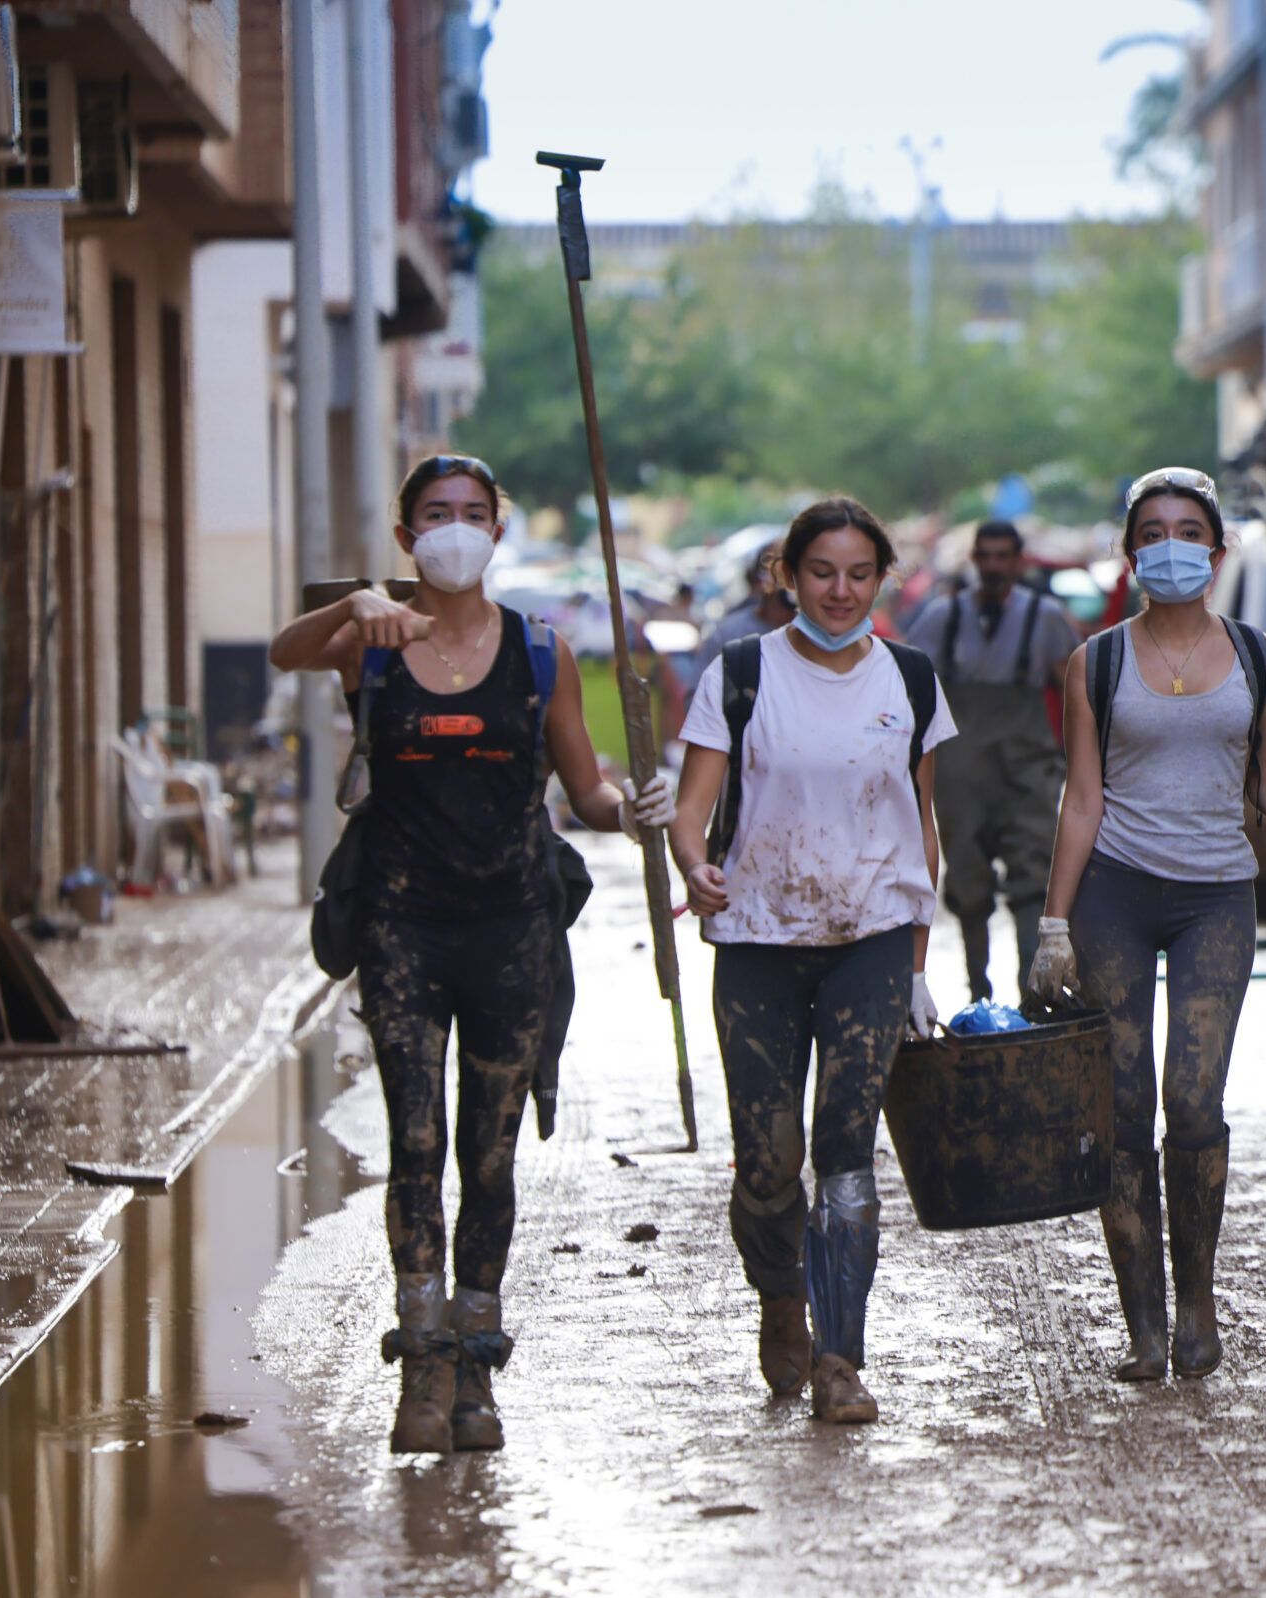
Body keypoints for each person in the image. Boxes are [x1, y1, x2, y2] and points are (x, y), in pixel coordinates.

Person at [269, 454, 675, 1454]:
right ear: (407, 536)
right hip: (402, 930)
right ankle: (422, 1363)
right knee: (414, 1142)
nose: (456, 529)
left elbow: (584, 792)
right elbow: (285, 650)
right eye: (436, 515)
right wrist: (361, 603)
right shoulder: (368, 644)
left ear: (498, 531)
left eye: (473, 514)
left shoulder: (539, 653)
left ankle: (478, 1364)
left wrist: (634, 809)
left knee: (488, 1155)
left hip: (509, 929)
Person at [1027, 466, 1266, 1383]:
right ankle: (1143, 1324)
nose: (1171, 546)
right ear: (1132, 552)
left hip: (1218, 894)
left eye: (1188, 530)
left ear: (1217, 548)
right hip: (1116, 894)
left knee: (1194, 1101)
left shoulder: (1261, 656)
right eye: (1153, 531)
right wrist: (1055, 923)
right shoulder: (1093, 661)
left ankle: (1198, 1301)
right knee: (1122, 1106)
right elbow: (1082, 800)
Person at [667, 496, 954, 1425]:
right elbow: (691, 805)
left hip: (868, 940)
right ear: (786, 577)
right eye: (821, 572)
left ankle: (840, 1356)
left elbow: (924, 824)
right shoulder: (742, 673)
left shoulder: (909, 680)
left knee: (845, 1154)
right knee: (767, 1157)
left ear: (881, 579)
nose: (840, 591)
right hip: (756, 941)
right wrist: (693, 864)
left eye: (859, 574)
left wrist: (915, 962)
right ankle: (779, 1299)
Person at [901, 519, 1081, 1003]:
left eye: (1005, 556)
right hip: (962, 770)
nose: (995, 566)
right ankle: (977, 989)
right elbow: (912, 684)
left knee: (1033, 875)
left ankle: (1033, 994)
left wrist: (1081, 756)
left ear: (1019, 561)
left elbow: (1072, 686)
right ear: (975, 561)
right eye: (987, 556)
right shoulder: (945, 616)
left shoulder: (1045, 616)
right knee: (967, 879)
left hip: (1027, 765)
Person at [691, 545, 795, 679]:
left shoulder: (818, 637)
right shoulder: (727, 636)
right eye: (780, 571)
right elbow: (700, 693)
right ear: (760, 579)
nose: (788, 581)